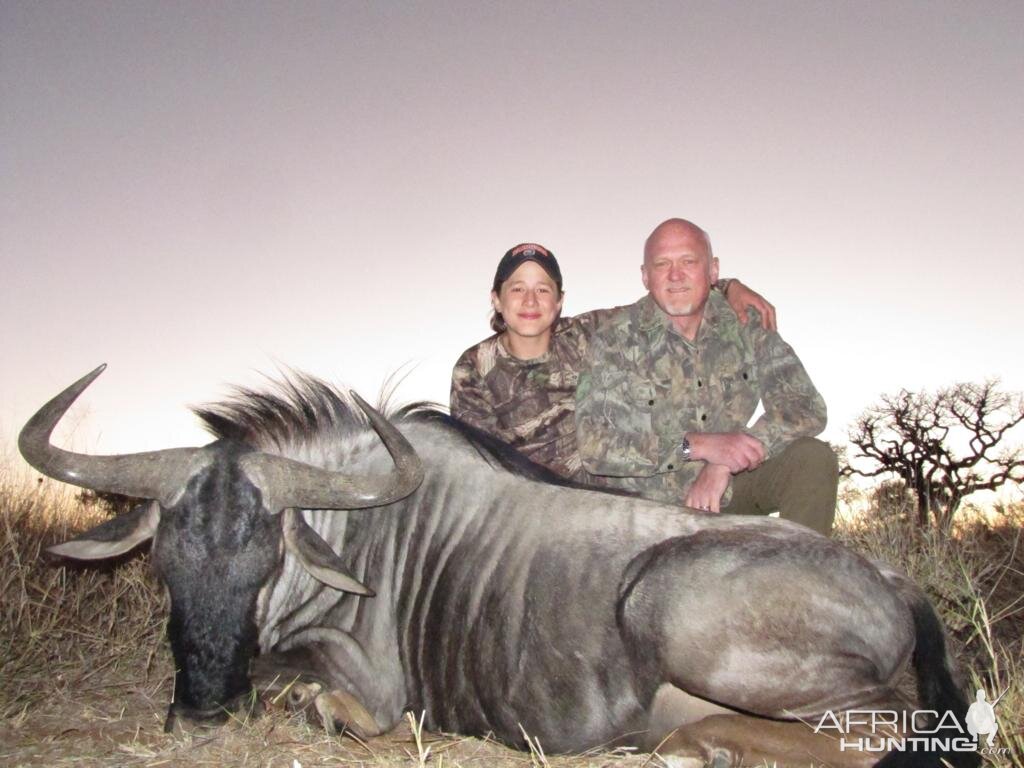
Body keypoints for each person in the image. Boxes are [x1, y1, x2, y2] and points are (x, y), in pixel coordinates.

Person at [574, 218, 837, 534]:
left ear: (713, 271)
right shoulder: (614, 339)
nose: (675, 275)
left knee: (812, 459)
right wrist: (695, 446)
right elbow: (594, 446)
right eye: (662, 264)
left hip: (729, 490)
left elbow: (805, 405)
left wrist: (725, 460)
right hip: (648, 510)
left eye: (688, 261)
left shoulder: (744, 323)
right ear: (645, 276)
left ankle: (801, 578)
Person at [450, 242, 775, 483]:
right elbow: (480, 471)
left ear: (560, 300)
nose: (531, 301)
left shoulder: (588, 333)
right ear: (496, 298)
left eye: (543, 289)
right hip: (531, 511)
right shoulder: (473, 368)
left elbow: (665, 301)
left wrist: (728, 286)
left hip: (617, 492)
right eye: (517, 288)